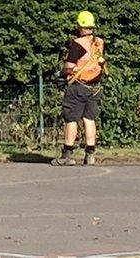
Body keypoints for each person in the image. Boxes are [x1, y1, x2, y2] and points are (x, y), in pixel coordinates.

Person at [51, 10, 105, 167]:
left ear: (80, 26)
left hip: (78, 86)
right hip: (94, 86)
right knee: (90, 119)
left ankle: (67, 155)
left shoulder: (78, 44)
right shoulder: (99, 42)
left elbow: (69, 67)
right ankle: (90, 155)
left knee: (71, 119)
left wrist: (61, 73)